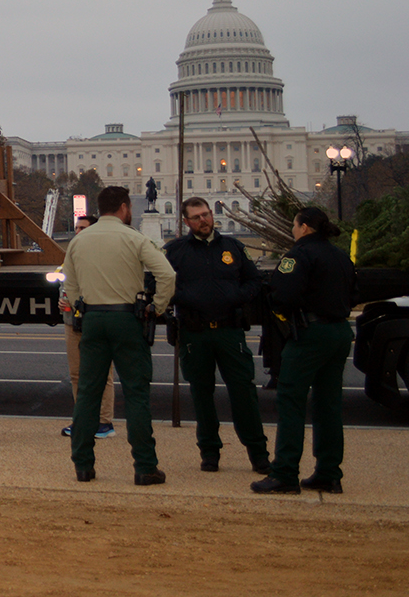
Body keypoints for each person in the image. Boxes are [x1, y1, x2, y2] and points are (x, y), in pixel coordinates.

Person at [63, 187, 175, 485]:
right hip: (127, 318)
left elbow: (70, 286)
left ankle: (83, 465)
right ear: (124, 207)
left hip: (93, 318)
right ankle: (145, 466)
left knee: (88, 393)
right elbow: (167, 275)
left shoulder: (79, 241)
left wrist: (79, 309)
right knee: (137, 394)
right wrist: (157, 307)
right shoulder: (135, 238)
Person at [252, 206, 356, 495]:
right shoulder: (340, 255)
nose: (293, 230)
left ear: (306, 227)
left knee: (291, 401)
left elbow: (282, 295)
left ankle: (284, 472)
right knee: (329, 405)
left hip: (310, 333)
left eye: (295, 226)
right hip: (338, 331)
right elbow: (354, 291)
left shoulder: (298, 255)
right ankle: (328, 472)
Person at [166, 197, 270, 475]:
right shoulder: (175, 252)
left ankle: (258, 453)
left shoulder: (233, 247)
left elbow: (254, 280)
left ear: (212, 215)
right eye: (196, 217)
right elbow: (157, 282)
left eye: (206, 215)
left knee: (243, 393)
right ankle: (209, 452)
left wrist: (237, 297)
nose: (203, 221)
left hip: (229, 331)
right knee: (201, 395)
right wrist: (184, 298)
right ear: (186, 222)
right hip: (194, 332)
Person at [60, 216, 116, 439]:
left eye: (83, 228)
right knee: (77, 374)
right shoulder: (71, 255)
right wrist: (62, 300)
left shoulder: (104, 256)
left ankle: (104, 421)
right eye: (76, 228)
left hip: (96, 320)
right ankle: (82, 418)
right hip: (72, 322)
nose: (78, 232)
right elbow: (65, 284)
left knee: (103, 374)